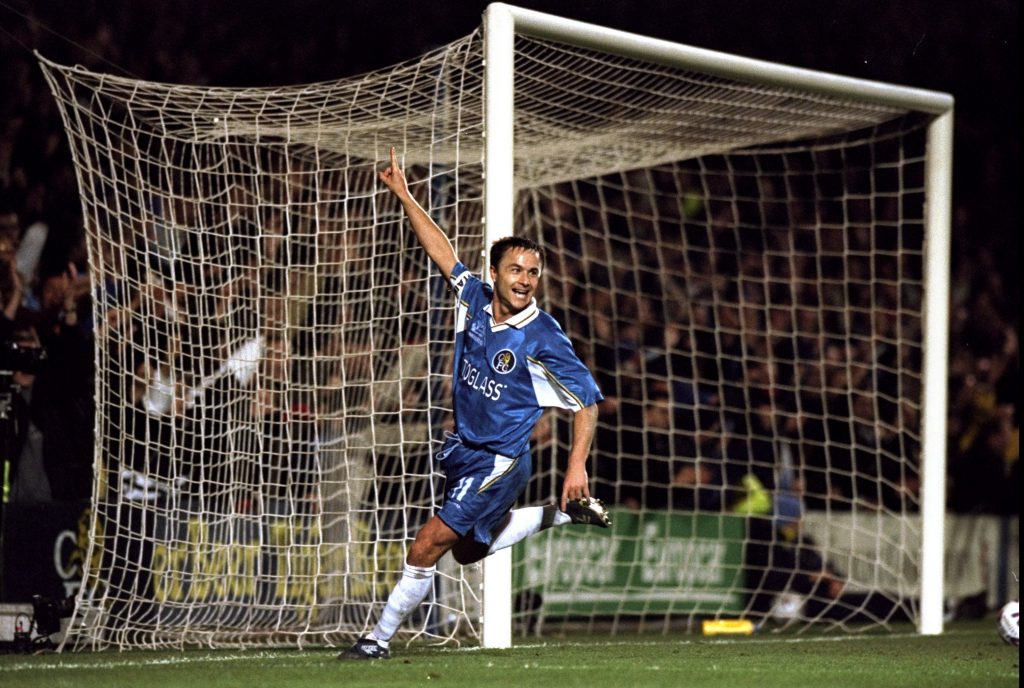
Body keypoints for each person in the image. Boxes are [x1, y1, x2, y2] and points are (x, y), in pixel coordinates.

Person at [340, 148, 609, 660]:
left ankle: (376, 641)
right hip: (463, 447)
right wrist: (403, 194)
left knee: (426, 545)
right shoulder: (473, 300)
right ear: (496, 271)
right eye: (516, 269)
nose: (525, 280)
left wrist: (576, 466)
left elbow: (587, 403)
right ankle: (560, 516)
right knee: (467, 550)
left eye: (533, 272)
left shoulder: (544, 337)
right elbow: (442, 252)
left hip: (500, 461)